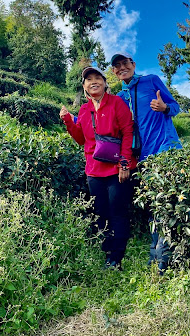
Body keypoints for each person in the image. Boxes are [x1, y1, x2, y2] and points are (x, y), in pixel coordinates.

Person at [110, 51, 182, 273]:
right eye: (117, 66)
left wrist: (165, 108)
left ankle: (165, 259)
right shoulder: (120, 97)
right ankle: (157, 256)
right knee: (154, 205)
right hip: (143, 158)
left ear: (133, 64)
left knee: (168, 204)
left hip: (165, 150)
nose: (122, 67)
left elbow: (176, 107)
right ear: (113, 72)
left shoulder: (151, 80)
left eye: (125, 63)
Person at [60, 66, 137, 270]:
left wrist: (124, 163)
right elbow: (81, 140)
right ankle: (107, 252)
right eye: (88, 80)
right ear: (84, 87)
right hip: (93, 170)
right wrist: (68, 121)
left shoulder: (116, 103)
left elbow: (128, 133)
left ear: (105, 83)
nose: (93, 82)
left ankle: (117, 257)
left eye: (97, 78)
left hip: (115, 169)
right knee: (100, 211)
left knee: (117, 211)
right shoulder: (85, 109)